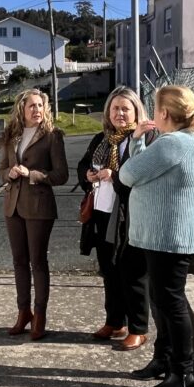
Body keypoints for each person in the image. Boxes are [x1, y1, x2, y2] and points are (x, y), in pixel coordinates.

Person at [110, 85, 194, 387]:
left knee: (171, 303)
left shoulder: (172, 144)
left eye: (155, 109)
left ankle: (183, 372)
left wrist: (138, 141)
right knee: (161, 301)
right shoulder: (190, 140)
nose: (152, 115)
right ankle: (163, 360)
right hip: (166, 237)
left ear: (165, 114)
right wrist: (139, 139)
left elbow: (126, 175)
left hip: (169, 238)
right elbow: (141, 172)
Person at [76, 86, 153, 351]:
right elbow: (83, 165)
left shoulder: (144, 138)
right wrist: (87, 174)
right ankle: (115, 322)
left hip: (128, 215)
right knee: (108, 270)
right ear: (108, 112)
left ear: (136, 112)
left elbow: (142, 176)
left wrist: (114, 175)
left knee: (132, 272)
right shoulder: (101, 138)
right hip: (101, 213)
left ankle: (138, 328)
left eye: (125, 108)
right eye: (115, 108)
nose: (120, 113)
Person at [0, 89, 69, 340]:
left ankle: (40, 317)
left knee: (37, 262)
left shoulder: (52, 136)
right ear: (22, 109)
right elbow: (2, 169)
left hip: (39, 207)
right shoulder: (10, 135)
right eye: (32, 106)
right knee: (19, 262)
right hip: (12, 206)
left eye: (40, 105)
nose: (37, 110)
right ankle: (23, 312)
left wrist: (33, 174)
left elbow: (61, 175)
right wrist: (11, 174)